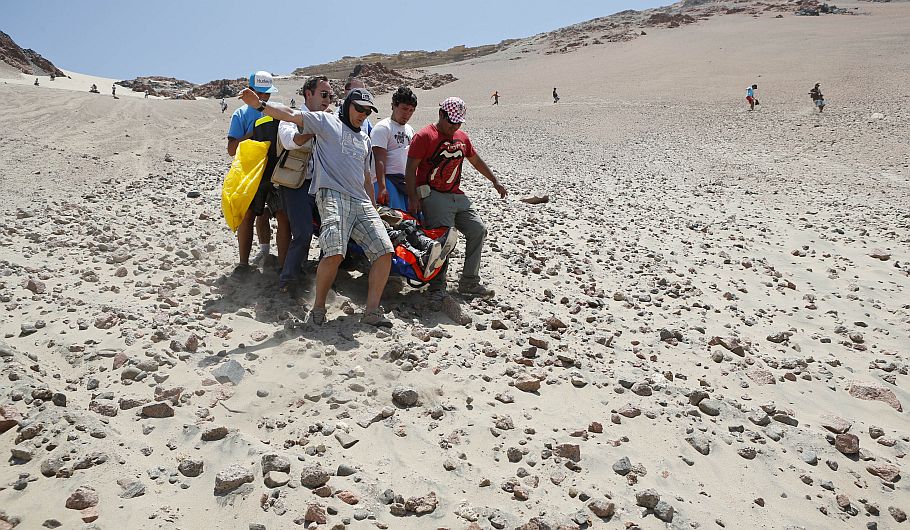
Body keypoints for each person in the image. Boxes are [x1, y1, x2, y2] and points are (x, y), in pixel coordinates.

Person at [240, 86, 395, 327]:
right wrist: (260, 105)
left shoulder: (364, 139)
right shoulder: (326, 122)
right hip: (332, 195)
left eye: (367, 111)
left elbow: (366, 177)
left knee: (385, 252)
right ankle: (318, 308)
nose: (362, 115)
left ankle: (372, 311)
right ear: (347, 106)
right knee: (334, 252)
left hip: (362, 201)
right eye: (358, 109)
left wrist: (374, 207)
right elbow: (289, 115)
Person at [405, 97, 507, 297]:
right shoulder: (424, 136)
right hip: (433, 195)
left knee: (478, 230)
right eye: (452, 121)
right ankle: (437, 286)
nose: (455, 126)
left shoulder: (462, 137)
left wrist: (494, 181)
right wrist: (413, 197)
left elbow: (475, 160)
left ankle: (469, 281)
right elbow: (410, 170)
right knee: (445, 239)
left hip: (457, 195)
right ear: (441, 114)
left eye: (458, 122)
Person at [275, 75, 333, 292]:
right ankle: (288, 281)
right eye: (323, 94)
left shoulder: (330, 118)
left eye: (330, 96)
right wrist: (316, 126)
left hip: (323, 185)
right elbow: (291, 142)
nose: (328, 100)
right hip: (296, 184)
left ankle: (320, 277)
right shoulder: (289, 118)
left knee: (331, 232)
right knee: (302, 233)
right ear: (308, 94)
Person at [227, 71, 289, 270]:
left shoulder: (276, 110)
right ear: (250, 91)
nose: (264, 98)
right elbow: (231, 150)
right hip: (250, 174)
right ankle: (243, 264)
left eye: (267, 94)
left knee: (281, 215)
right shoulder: (240, 114)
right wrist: (253, 134)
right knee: (249, 216)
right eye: (260, 94)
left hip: (276, 172)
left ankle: (280, 264)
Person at [370, 86, 416, 211]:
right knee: (395, 218)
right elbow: (379, 159)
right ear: (394, 105)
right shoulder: (383, 128)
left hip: (403, 182)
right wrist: (382, 187)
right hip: (388, 181)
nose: (407, 114)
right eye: (404, 109)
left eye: (411, 110)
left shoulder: (409, 130)